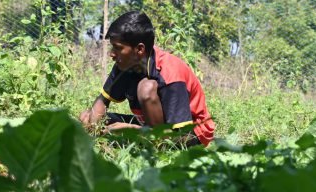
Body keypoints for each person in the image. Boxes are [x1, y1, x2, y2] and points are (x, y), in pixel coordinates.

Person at [79, 11, 215, 147]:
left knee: (146, 88)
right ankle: (145, 137)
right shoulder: (125, 63)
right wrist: (91, 126)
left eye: (118, 48)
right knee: (89, 116)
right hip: (150, 125)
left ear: (139, 49)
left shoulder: (171, 74)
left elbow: (179, 135)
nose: (111, 54)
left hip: (190, 134)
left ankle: (153, 143)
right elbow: (103, 100)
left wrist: (130, 131)